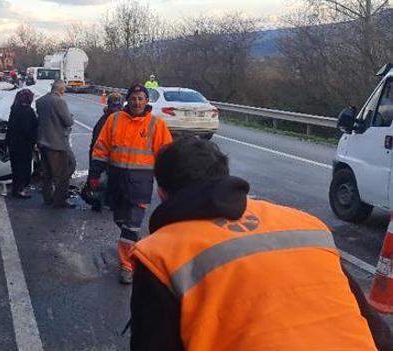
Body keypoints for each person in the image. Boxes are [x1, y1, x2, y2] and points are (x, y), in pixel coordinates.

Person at [128, 137, 393, 351]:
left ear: (161, 191)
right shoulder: (307, 224)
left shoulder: (160, 253)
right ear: (223, 177)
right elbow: (374, 327)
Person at [88, 84, 172, 284]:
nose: (137, 102)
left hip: (140, 185)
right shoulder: (114, 120)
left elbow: (167, 156)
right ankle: (140, 249)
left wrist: (168, 184)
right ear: (128, 100)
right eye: (133, 98)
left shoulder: (156, 125)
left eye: (141, 98)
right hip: (116, 183)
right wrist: (94, 175)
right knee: (120, 221)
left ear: (146, 100)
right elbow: (101, 149)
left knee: (131, 228)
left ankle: (127, 266)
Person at [36, 79, 75, 209]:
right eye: (64, 89)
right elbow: (68, 121)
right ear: (60, 89)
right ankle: (59, 201)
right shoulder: (59, 102)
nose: (64, 91)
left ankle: (47, 198)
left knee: (47, 173)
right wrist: (71, 117)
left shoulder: (40, 101)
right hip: (57, 143)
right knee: (62, 174)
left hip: (42, 141)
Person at [7, 89, 38, 198]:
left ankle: (16, 189)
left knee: (16, 168)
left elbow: (10, 127)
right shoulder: (27, 111)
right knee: (23, 168)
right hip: (24, 145)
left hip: (13, 144)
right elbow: (28, 129)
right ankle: (20, 189)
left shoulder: (14, 109)